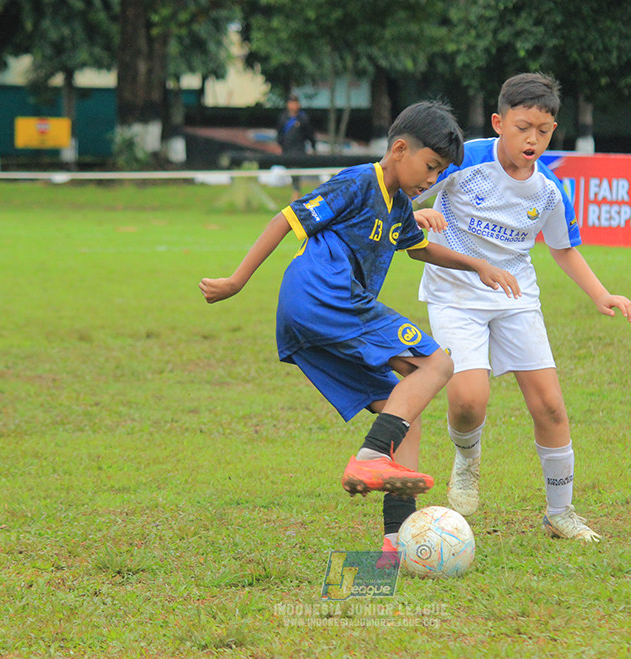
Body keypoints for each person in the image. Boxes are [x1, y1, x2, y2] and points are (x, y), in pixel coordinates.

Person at [201, 101, 521, 560]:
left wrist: (477, 264)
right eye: (429, 167)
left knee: (404, 416)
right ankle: (370, 457)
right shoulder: (358, 182)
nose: (431, 181)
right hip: (327, 298)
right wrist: (236, 281)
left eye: (439, 173)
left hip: (310, 319)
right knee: (438, 363)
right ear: (398, 149)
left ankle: (397, 543)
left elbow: (420, 249)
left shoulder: (399, 206)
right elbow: (286, 219)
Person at [415, 73, 631, 542]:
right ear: (499, 122)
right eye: (522, 127)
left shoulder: (549, 191)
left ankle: (560, 512)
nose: (532, 138)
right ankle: (468, 458)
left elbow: (564, 248)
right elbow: (402, 190)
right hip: (455, 294)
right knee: (469, 401)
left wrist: (602, 294)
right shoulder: (464, 160)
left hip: (515, 299)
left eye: (544, 129)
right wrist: (415, 214)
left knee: (551, 407)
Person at [275, 94, 316, 199]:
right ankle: (296, 193)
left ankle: (296, 193)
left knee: (296, 170)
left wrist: (313, 146)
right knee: (291, 171)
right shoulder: (283, 118)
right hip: (286, 150)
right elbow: (279, 134)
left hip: (299, 150)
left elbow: (310, 134)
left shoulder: (303, 118)